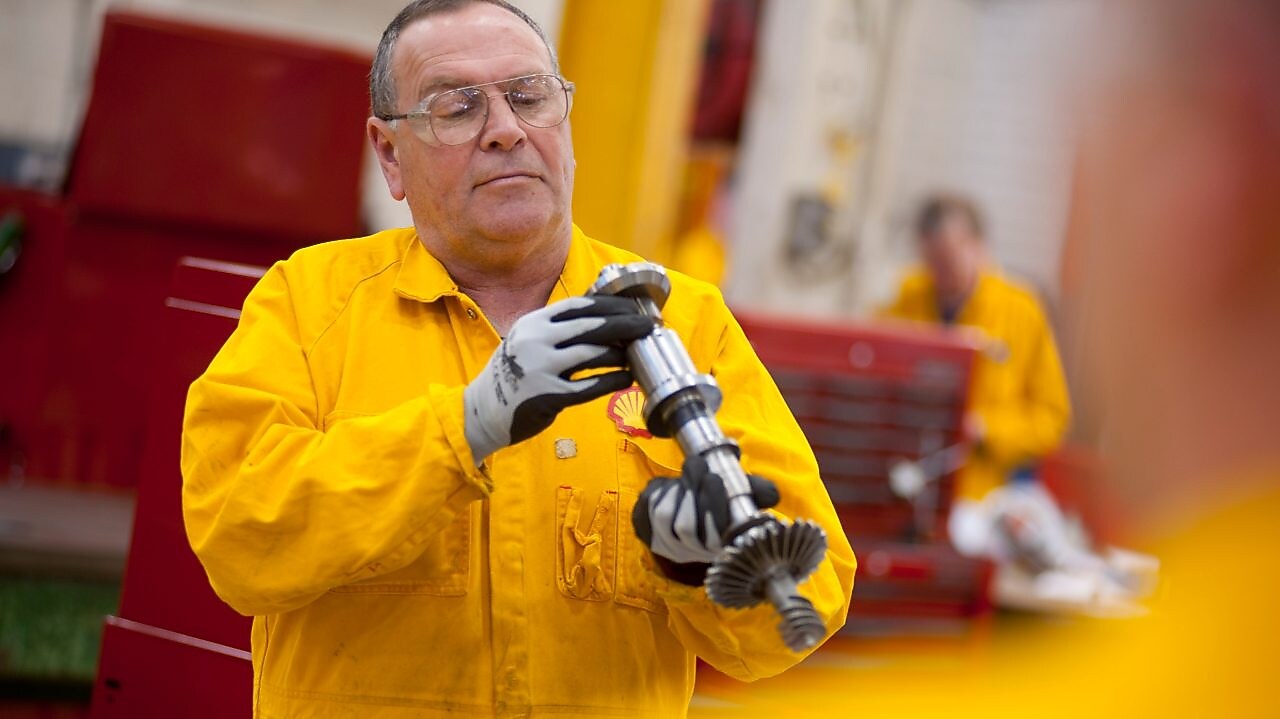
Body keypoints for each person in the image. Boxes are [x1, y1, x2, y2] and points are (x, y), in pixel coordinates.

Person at [179, 1, 856, 717]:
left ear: (566, 124)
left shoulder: (685, 322)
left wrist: (699, 566)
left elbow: (806, 605)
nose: (506, 130)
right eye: (457, 108)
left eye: (530, 97)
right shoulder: (310, 304)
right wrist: (464, 427)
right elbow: (237, 539)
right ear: (390, 154)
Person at [881, 194, 1071, 507]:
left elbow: (1051, 418)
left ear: (978, 246)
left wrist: (985, 429)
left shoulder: (1021, 312)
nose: (940, 272)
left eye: (949, 258)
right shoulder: (904, 303)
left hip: (981, 499)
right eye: (931, 261)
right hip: (905, 486)